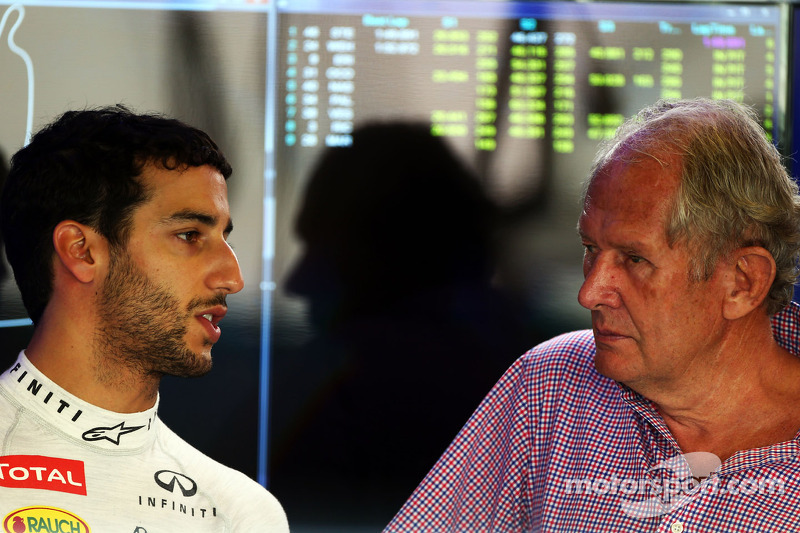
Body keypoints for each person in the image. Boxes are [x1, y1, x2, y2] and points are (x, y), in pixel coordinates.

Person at [384, 98, 800, 532]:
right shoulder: (549, 386)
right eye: (591, 250)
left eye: (635, 259)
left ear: (742, 282)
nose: (589, 293)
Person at [0, 106, 289, 531]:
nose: (233, 277)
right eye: (190, 236)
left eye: (223, 238)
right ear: (82, 250)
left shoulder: (240, 512)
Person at [269, 122, 530, 526]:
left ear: (388, 260)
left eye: (326, 252)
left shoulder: (350, 384)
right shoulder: (532, 378)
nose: (296, 284)